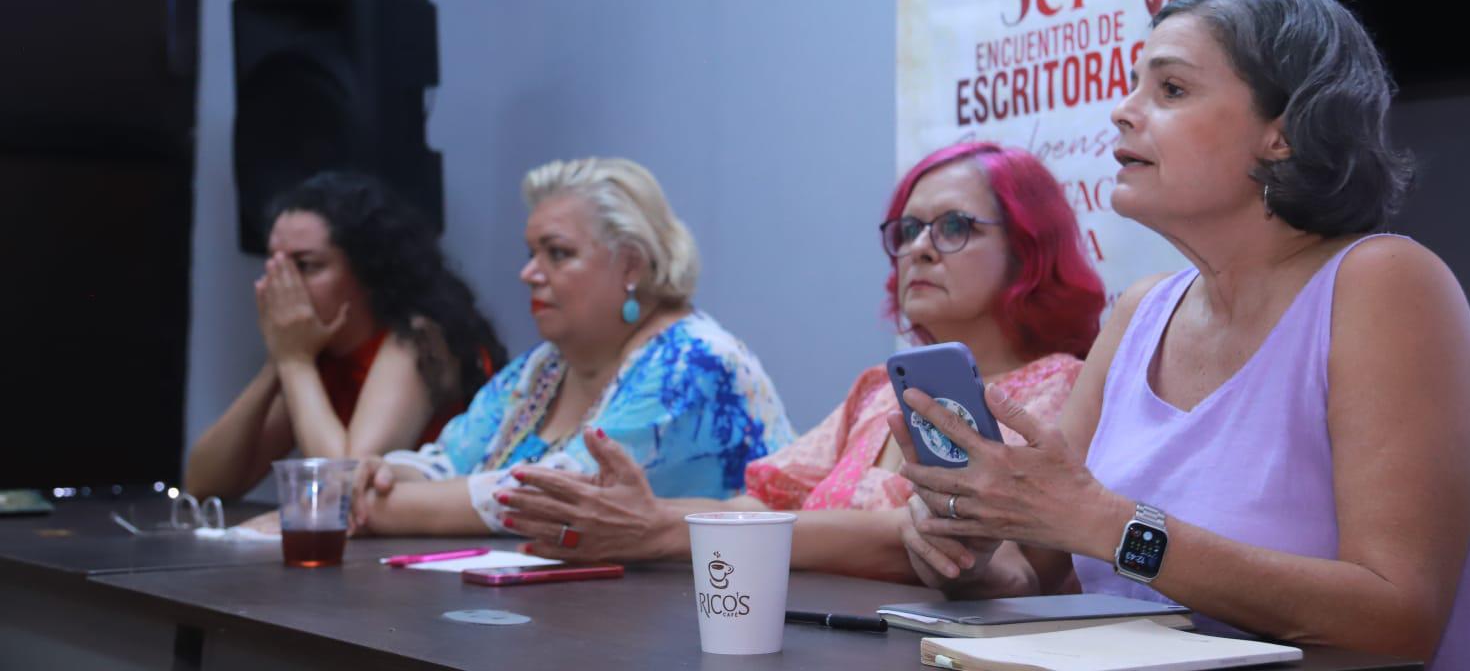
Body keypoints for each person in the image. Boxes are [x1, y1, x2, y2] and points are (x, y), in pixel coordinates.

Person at [895, 0, 1470, 669]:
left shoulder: (1384, 284)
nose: (1122, 113)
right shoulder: (1142, 311)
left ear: (1282, 133)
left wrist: (1114, 526)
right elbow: (1042, 569)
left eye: (1171, 90)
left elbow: (1398, 620)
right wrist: (974, 558)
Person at [492, 142, 1105, 582]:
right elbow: (759, 506)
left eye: (951, 227)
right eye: (908, 230)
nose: (918, 250)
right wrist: (637, 515)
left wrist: (662, 532)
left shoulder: (1060, 388)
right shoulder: (878, 391)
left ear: (1029, 249)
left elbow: (956, 550)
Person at [352, 156, 795, 535]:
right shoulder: (545, 366)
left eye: (557, 253)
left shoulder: (693, 361)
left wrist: (374, 505)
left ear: (631, 265)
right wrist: (386, 474)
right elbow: (451, 461)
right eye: (531, 254)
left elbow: (555, 500)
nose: (530, 273)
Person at [184, 172, 508, 500]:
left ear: (368, 271)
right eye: (274, 265)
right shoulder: (315, 350)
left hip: (443, 542)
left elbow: (343, 487)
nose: (282, 284)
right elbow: (204, 485)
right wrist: (277, 365)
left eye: (306, 265)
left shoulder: (420, 337)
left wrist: (294, 362)